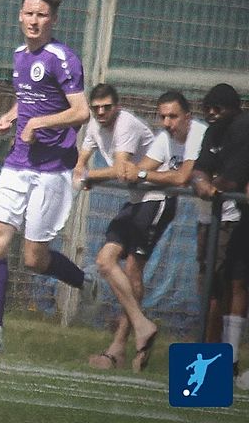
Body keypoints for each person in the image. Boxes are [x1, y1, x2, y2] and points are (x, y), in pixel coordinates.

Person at [0, 0, 93, 355]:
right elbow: (27, 98)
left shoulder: (62, 58)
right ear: (19, 15)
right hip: (17, 163)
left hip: (52, 170)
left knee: (34, 258)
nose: (34, 21)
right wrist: (11, 116)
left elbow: (81, 111)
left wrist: (39, 123)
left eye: (42, 15)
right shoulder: (17, 56)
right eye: (29, 13)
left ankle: (82, 281)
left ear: (53, 20)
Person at [79, 88, 206, 373]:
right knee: (104, 261)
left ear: (187, 115)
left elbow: (180, 177)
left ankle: (118, 350)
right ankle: (141, 325)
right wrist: (133, 172)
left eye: (173, 116)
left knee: (135, 270)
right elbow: (136, 170)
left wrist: (109, 174)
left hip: (157, 204)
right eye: (162, 116)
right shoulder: (164, 138)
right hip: (137, 202)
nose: (167, 122)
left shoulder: (198, 133)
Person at [191, 83, 249, 380]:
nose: (213, 114)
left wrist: (215, 184)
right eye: (208, 109)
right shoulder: (212, 131)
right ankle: (231, 360)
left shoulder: (242, 127)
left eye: (219, 108)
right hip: (242, 219)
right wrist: (202, 181)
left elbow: (233, 179)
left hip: (239, 215)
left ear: (235, 108)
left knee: (236, 284)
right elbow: (201, 168)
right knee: (233, 282)